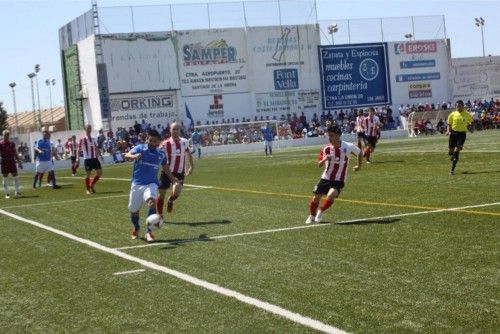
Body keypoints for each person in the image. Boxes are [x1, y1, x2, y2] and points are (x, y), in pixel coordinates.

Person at [124, 129, 178, 242]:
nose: (152, 143)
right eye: (150, 140)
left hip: (151, 184)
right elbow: (127, 155)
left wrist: (173, 179)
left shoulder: (161, 154)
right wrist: (134, 157)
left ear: (158, 142)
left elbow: (165, 167)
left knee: (151, 202)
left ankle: (149, 232)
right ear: (147, 139)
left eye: (155, 141)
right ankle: (136, 227)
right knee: (134, 210)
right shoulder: (140, 148)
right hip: (137, 184)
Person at [306, 125, 362, 224]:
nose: (329, 138)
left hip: (339, 179)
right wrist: (324, 159)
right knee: (315, 199)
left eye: (331, 135)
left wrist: (359, 166)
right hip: (325, 178)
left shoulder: (348, 146)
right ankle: (312, 216)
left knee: (331, 195)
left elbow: (360, 153)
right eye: (329, 136)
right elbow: (319, 164)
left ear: (338, 135)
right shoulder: (326, 149)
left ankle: (321, 211)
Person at [157, 122, 193, 217]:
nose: (176, 131)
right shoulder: (165, 143)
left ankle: (171, 200)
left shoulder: (185, 142)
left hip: (179, 172)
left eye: (178, 129)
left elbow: (188, 153)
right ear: (170, 130)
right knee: (161, 194)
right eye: (174, 129)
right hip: (166, 172)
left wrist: (191, 166)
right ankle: (160, 215)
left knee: (177, 193)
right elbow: (158, 155)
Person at [447, 100, 473, 175]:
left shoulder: (467, 114)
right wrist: (448, 131)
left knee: (456, 150)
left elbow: (470, 122)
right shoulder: (452, 114)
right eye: (457, 106)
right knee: (451, 151)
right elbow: (449, 124)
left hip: (462, 134)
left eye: (459, 106)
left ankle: (452, 170)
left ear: (462, 106)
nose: (458, 107)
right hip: (453, 134)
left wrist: (470, 128)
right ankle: (453, 155)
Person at [76, 124, 103, 194]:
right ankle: (88, 189)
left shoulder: (93, 138)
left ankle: (92, 184)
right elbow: (78, 149)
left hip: (95, 158)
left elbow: (96, 147)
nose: (89, 129)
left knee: (100, 173)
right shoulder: (82, 139)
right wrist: (77, 158)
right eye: (88, 128)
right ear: (85, 129)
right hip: (87, 160)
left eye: (90, 128)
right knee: (88, 175)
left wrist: (100, 155)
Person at [0, 130, 23, 198]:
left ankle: (17, 192)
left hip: (12, 161)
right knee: (5, 178)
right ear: (3, 135)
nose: (6, 136)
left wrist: (19, 162)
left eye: (7, 135)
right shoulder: (0, 143)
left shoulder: (12, 143)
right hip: (4, 162)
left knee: (16, 177)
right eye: (5, 135)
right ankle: (7, 194)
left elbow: (15, 153)